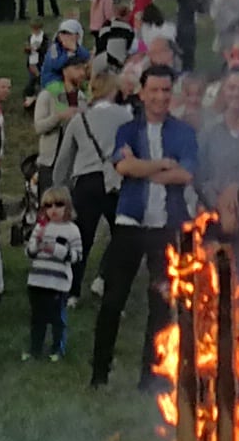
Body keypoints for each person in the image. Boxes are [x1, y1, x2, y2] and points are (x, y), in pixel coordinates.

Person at [87, 69, 198, 391]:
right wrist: (164, 164)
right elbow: (123, 166)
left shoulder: (183, 132)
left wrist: (143, 169)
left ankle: (150, 376)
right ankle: (99, 374)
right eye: (155, 90)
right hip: (130, 224)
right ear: (142, 93)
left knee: (160, 303)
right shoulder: (128, 130)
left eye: (166, 90)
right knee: (112, 300)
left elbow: (186, 175)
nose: (161, 96)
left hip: (166, 226)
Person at [22, 188, 81, 361]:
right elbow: (29, 252)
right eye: (48, 205)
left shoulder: (72, 230)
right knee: (37, 319)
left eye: (59, 204)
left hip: (58, 282)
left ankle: (58, 349)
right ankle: (35, 349)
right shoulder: (41, 227)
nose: (53, 209)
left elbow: (77, 256)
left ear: (67, 207)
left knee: (57, 319)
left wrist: (56, 249)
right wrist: (36, 245)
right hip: (37, 280)